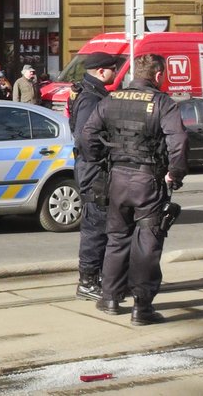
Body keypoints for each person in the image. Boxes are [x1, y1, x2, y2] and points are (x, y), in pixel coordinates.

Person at [81, 54, 188, 326]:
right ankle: (142, 306)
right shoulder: (162, 103)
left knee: (117, 238)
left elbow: (87, 135)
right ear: (159, 75)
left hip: (116, 179)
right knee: (147, 242)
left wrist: (98, 161)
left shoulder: (111, 99)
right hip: (148, 181)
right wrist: (175, 173)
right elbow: (178, 141)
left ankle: (110, 298)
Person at [69, 52, 118, 302]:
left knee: (101, 224)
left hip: (92, 167)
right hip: (94, 170)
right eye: (113, 69)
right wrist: (103, 156)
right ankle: (87, 282)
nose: (116, 73)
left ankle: (97, 278)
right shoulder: (91, 97)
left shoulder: (90, 92)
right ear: (101, 71)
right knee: (95, 226)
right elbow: (84, 137)